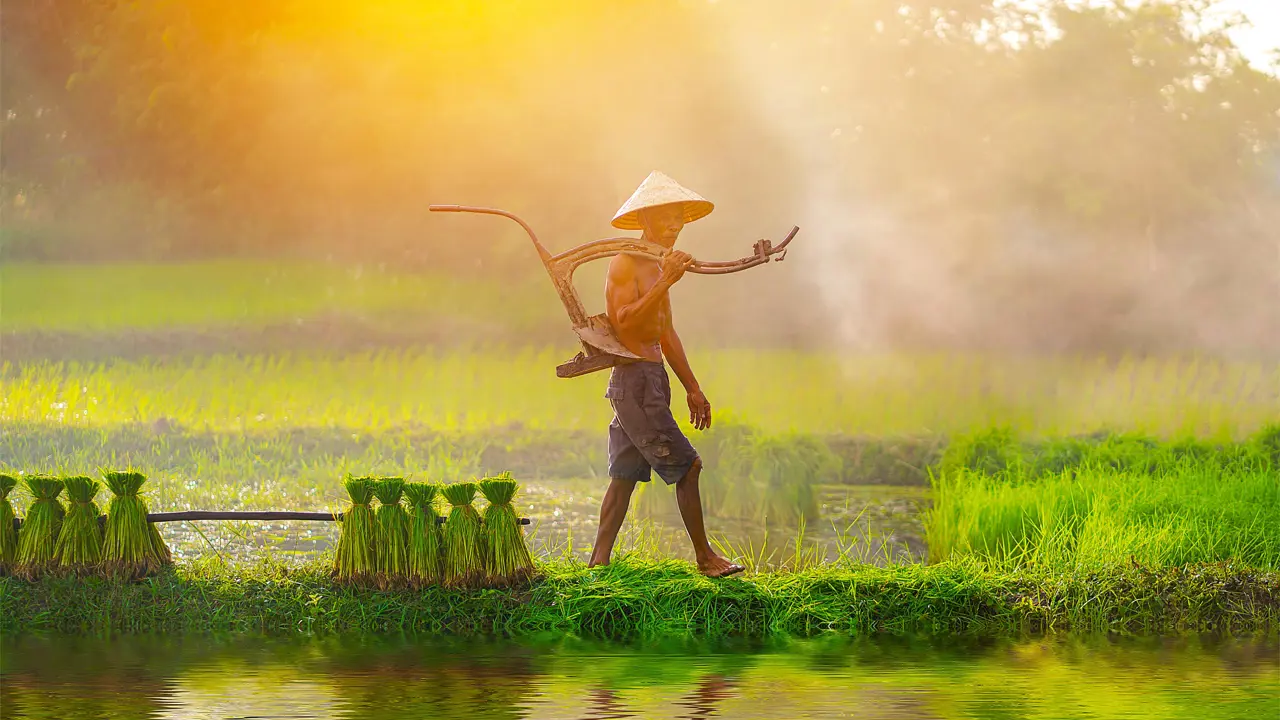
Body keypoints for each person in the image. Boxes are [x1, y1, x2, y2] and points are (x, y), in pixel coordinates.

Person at [587, 171, 746, 579]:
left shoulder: (660, 265)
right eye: (666, 218)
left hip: (649, 379)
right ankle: (705, 558)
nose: (675, 226)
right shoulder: (626, 263)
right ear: (646, 221)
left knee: (623, 477)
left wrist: (693, 388)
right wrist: (668, 281)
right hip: (635, 381)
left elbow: (665, 331)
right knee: (688, 467)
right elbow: (624, 323)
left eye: (680, 218)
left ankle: (597, 565)